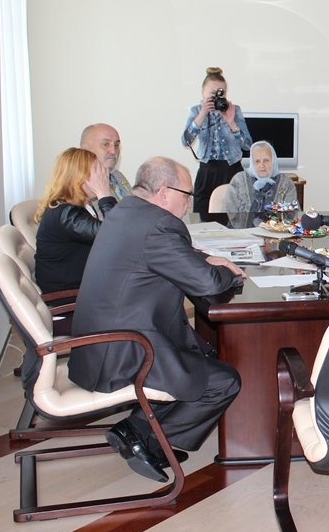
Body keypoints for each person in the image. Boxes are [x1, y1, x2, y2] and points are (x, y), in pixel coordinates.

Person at [69, 156, 246, 482]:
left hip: (97, 346)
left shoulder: (125, 210)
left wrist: (205, 258)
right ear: (164, 192)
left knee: (200, 356)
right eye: (187, 195)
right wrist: (228, 273)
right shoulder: (160, 225)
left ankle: (145, 435)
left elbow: (156, 252)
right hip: (123, 350)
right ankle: (139, 432)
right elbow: (207, 284)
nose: (189, 203)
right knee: (223, 381)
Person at [33, 147, 116, 294]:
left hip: (84, 286)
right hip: (68, 295)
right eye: (96, 173)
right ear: (79, 177)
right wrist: (104, 194)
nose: (103, 177)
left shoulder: (74, 207)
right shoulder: (65, 213)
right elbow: (113, 234)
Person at [181, 66, 253, 216]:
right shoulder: (196, 111)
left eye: (222, 93)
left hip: (232, 170)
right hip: (207, 171)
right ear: (203, 93)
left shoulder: (234, 110)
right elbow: (185, 141)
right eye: (213, 93)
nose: (217, 97)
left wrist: (232, 123)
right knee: (202, 217)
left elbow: (248, 145)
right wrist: (202, 115)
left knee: (235, 217)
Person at [223, 140, 298, 218]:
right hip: (242, 226)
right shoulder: (239, 180)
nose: (262, 165)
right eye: (257, 161)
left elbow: (291, 214)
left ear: (273, 161)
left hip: (276, 226)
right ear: (252, 163)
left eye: (266, 160)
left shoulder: (286, 183)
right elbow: (227, 213)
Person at [80, 123, 131, 200]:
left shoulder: (118, 176)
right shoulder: (79, 184)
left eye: (116, 145)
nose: (113, 151)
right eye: (105, 144)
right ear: (85, 149)